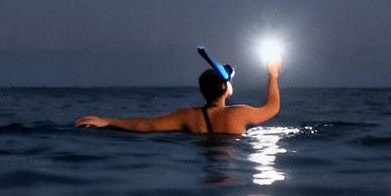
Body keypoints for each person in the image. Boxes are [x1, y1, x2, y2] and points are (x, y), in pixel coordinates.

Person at [75, 47, 281, 136]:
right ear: (224, 88)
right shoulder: (239, 113)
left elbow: (147, 125)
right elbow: (272, 108)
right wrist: (273, 75)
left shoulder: (187, 116)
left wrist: (108, 121)